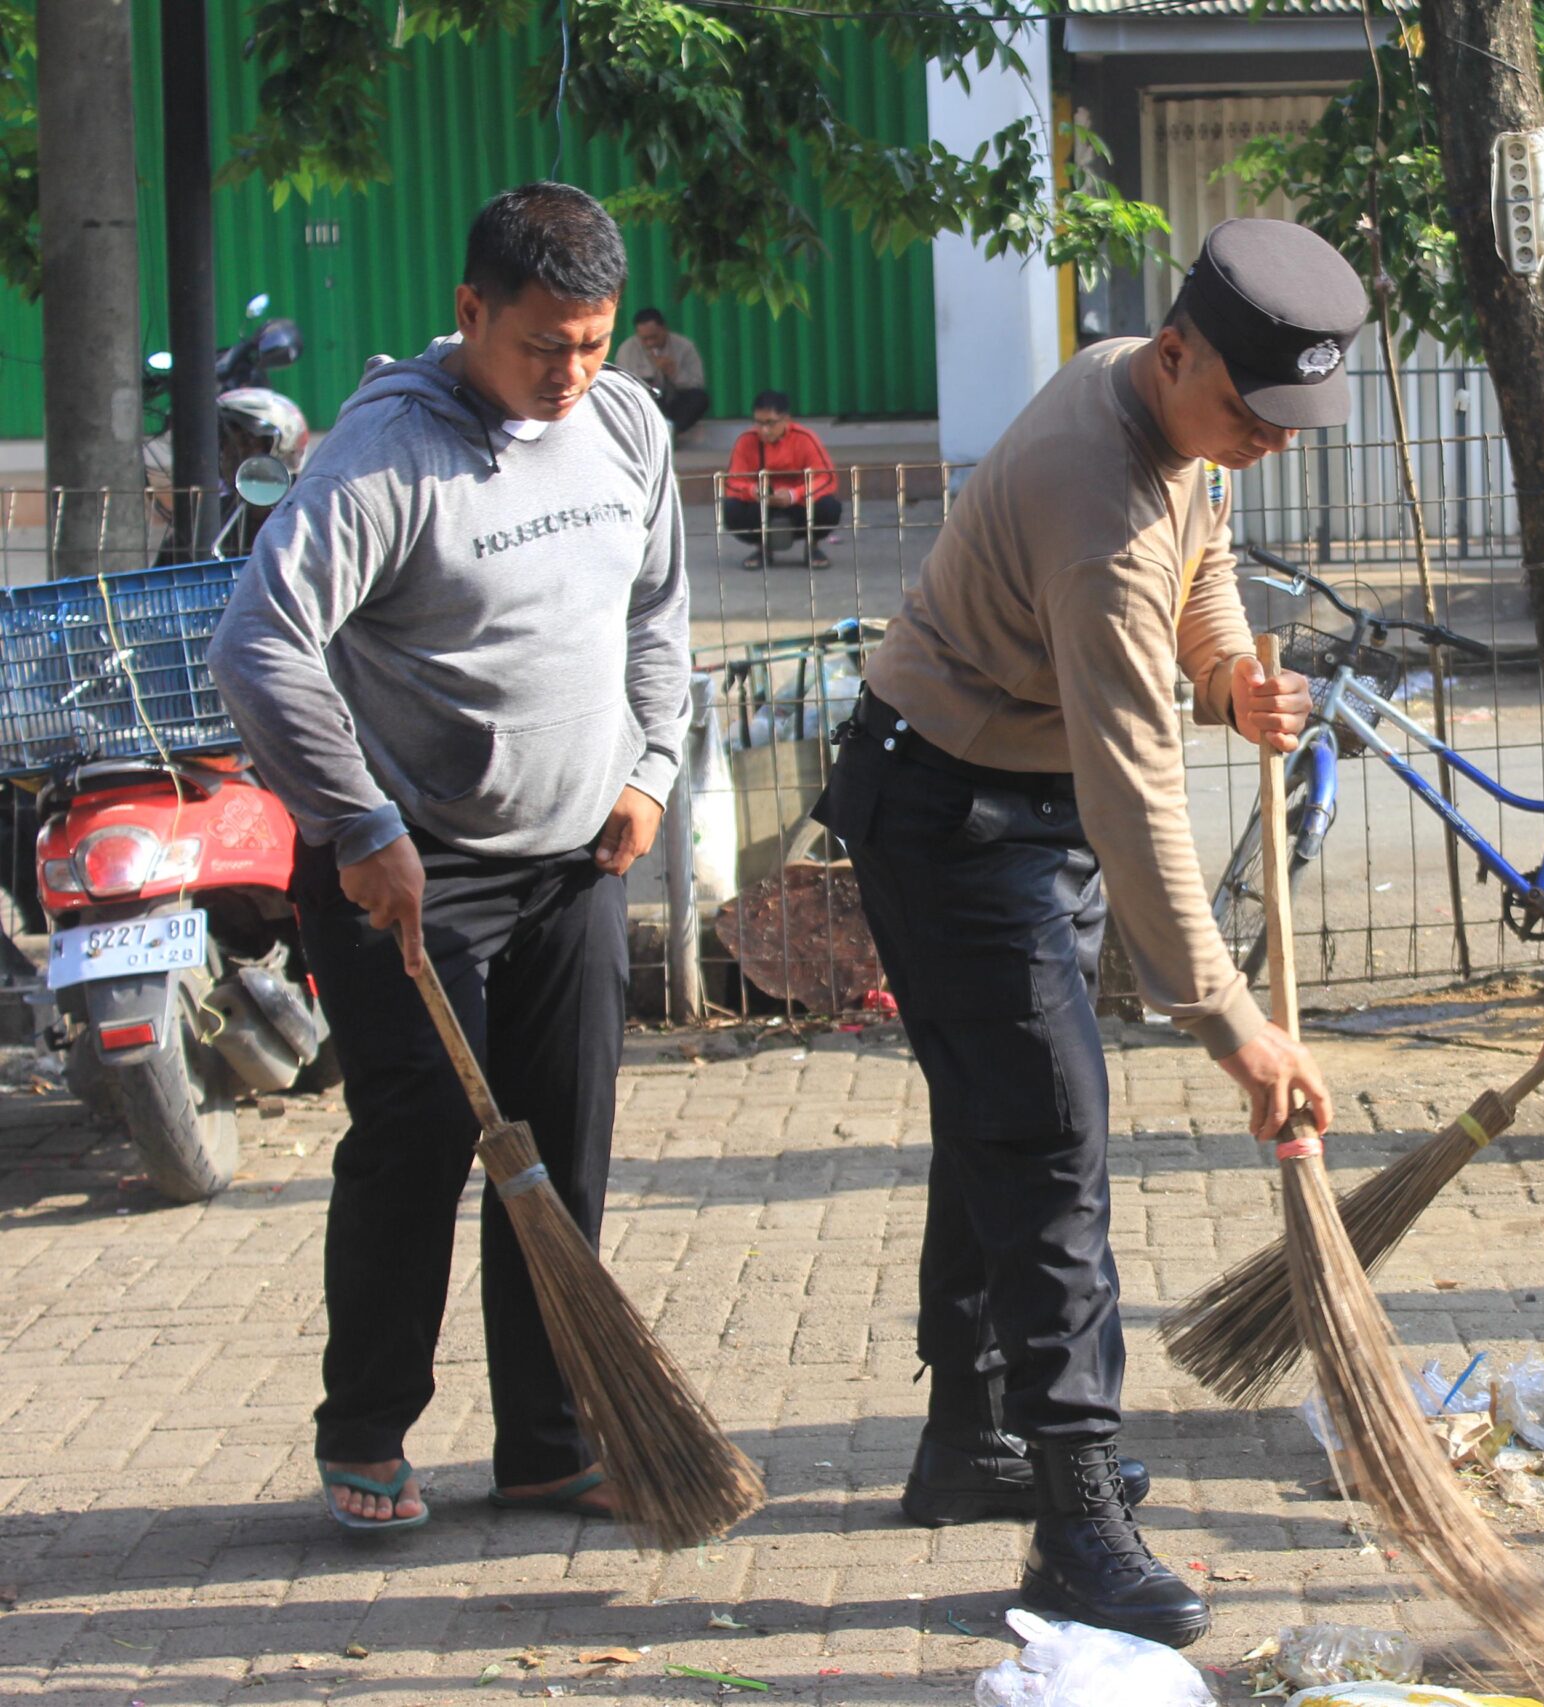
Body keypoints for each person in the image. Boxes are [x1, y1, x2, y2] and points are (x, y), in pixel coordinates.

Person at [813, 218, 1356, 1646]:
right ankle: (1072, 1523)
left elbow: (1208, 553)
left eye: (1288, 421)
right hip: (949, 813)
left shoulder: (1166, 407)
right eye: (1248, 412)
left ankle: (969, 1435)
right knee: (1052, 1132)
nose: (1265, 442)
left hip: (1011, 795)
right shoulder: (1094, 503)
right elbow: (1136, 794)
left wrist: (1233, 668)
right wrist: (1230, 1019)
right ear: (1177, 353)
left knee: (1002, 1113)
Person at [209, 183, 690, 1530]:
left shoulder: (625, 426)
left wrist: (649, 767)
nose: (572, 373)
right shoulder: (385, 455)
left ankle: (547, 1439)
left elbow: (657, 610)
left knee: (565, 1151)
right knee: (417, 1136)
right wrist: (358, 827)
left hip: (572, 860)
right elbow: (257, 646)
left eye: (595, 342)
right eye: (545, 344)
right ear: (470, 310)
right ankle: (366, 1425)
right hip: (405, 863)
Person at [720, 391, 843, 568]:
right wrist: (752, 492)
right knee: (732, 509)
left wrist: (795, 494)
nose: (764, 430)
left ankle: (812, 546)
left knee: (829, 506)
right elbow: (732, 482)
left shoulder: (805, 439)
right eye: (759, 423)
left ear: (786, 419)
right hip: (762, 504)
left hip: (799, 504)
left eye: (770, 423)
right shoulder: (745, 441)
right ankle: (762, 548)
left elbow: (826, 478)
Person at [616, 307, 709, 435]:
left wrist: (674, 373)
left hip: (676, 402)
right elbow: (624, 388)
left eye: (654, 337)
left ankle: (672, 432)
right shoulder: (627, 350)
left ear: (664, 329)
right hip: (647, 403)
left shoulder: (684, 347)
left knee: (699, 399)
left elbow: (697, 383)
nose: (650, 343)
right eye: (645, 339)